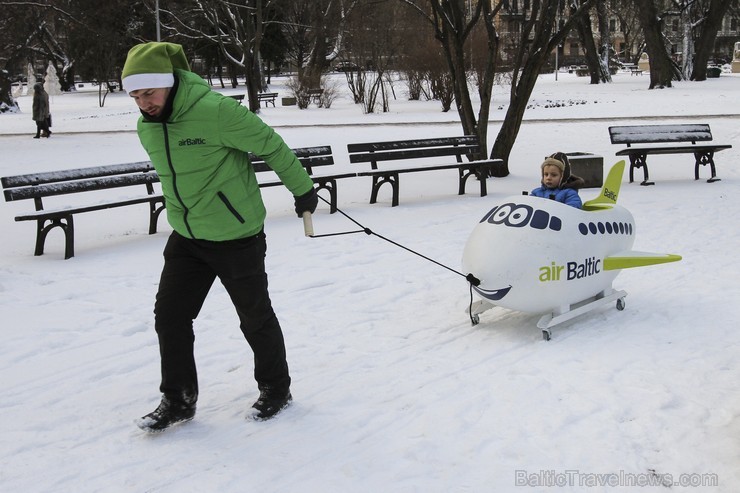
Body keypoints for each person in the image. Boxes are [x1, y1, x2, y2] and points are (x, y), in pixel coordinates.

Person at [121, 42, 318, 432]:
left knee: (254, 318)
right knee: (170, 317)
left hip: (236, 235)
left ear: (170, 83)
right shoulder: (149, 126)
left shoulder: (215, 112)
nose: (144, 103)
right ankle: (178, 399)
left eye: (150, 93)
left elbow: (272, 146)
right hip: (188, 236)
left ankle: (276, 389)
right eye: (136, 96)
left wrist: (303, 191)